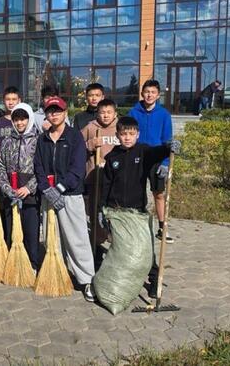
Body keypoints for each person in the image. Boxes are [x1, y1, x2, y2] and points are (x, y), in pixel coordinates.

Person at [100, 116, 181, 298]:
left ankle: (154, 280)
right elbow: (106, 185)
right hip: (116, 212)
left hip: (137, 212)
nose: (127, 138)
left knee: (144, 249)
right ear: (117, 135)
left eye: (131, 134)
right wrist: (101, 208)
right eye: (123, 134)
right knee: (121, 249)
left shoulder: (143, 151)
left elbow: (157, 152)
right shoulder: (112, 157)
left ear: (137, 134)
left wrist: (168, 147)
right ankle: (121, 282)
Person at [34, 97, 95, 302]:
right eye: (50, 111)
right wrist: (46, 189)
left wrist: (60, 188)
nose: (54, 114)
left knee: (77, 239)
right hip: (48, 196)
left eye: (57, 111)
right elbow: (39, 167)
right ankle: (59, 275)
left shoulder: (74, 137)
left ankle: (87, 280)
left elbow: (77, 168)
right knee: (53, 239)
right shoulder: (43, 139)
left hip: (70, 195)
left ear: (65, 113)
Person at [0, 103, 42, 270]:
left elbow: (43, 169)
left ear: (29, 119)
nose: (20, 123)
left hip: (30, 195)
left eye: (23, 119)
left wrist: (29, 187)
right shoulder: (7, 141)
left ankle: (31, 265)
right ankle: (13, 266)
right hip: (10, 193)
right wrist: (7, 189)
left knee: (30, 232)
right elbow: (0, 167)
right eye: (16, 119)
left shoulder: (38, 141)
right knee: (12, 230)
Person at [129, 80, 174, 244]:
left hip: (157, 158)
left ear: (158, 95)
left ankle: (162, 228)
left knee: (159, 193)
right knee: (136, 192)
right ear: (142, 93)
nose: (149, 95)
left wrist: (165, 162)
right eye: (147, 92)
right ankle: (136, 225)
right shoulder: (133, 112)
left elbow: (167, 140)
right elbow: (128, 135)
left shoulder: (164, 114)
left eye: (153, 92)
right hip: (138, 156)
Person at [80, 98, 120, 247]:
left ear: (115, 113)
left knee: (113, 208)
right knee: (95, 209)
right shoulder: (91, 127)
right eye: (102, 112)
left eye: (109, 112)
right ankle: (96, 240)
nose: (106, 115)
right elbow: (77, 145)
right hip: (95, 176)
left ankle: (115, 238)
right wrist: (90, 144)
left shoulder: (120, 127)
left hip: (115, 178)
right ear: (97, 113)